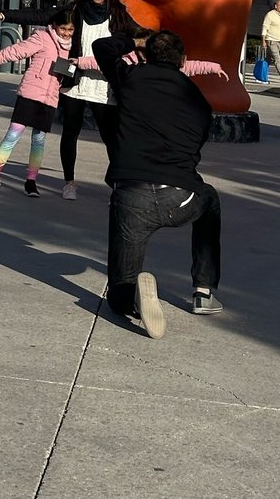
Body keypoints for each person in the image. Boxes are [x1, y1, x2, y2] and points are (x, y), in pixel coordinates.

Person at [93, 29, 228, 339]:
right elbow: (196, 146)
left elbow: (102, 45)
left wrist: (135, 43)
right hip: (180, 196)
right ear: (182, 60)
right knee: (210, 200)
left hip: (131, 196)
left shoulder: (131, 77)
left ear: (145, 55)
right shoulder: (199, 101)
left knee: (118, 293)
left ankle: (134, 299)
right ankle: (204, 292)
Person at [0, 4, 77, 196]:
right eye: (63, 28)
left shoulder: (73, 49)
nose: (66, 33)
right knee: (12, 135)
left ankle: (31, 181)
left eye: (70, 30)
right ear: (54, 25)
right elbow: (16, 51)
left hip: (50, 98)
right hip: (30, 93)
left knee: (39, 140)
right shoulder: (42, 38)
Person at [58, 0, 136, 200]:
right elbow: (43, 16)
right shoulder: (76, 9)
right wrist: (6, 15)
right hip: (76, 83)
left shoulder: (118, 14)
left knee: (110, 137)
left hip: (104, 86)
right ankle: (69, 183)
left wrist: (167, 43)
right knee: (70, 133)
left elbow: (138, 33)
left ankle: (117, 184)